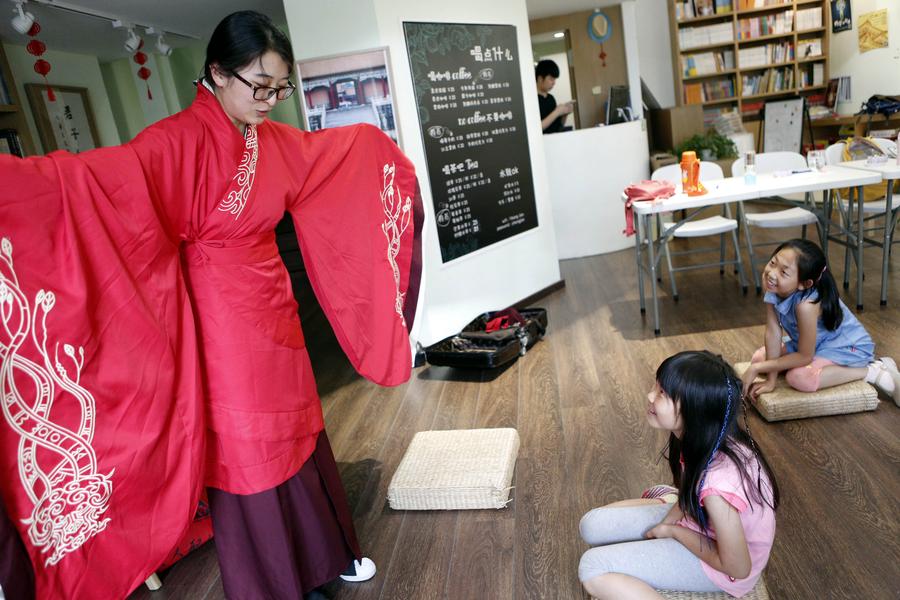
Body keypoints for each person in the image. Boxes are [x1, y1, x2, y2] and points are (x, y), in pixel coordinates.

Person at [0, 10, 421, 600]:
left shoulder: (270, 140)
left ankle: (326, 556)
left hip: (274, 305)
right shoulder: (174, 143)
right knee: (250, 448)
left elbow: (331, 158)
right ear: (218, 74)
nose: (271, 100)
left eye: (280, 88)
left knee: (300, 430)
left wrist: (381, 154)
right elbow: (97, 184)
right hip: (223, 322)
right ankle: (278, 583)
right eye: (260, 85)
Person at [578, 351, 779, 599]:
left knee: (592, 567)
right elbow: (689, 489)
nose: (650, 395)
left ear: (695, 412)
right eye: (657, 385)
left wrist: (674, 532)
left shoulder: (717, 487)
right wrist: (666, 522)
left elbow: (738, 567)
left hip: (723, 569)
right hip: (699, 517)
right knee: (590, 526)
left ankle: (665, 501)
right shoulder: (703, 438)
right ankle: (666, 500)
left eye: (663, 393)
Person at [741, 239, 900, 405]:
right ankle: (818, 366)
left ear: (805, 284)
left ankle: (871, 370)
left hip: (846, 347)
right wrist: (770, 380)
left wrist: (758, 370)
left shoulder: (806, 306)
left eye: (784, 273)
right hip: (813, 343)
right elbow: (773, 332)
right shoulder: (773, 285)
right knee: (759, 359)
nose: (772, 273)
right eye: (773, 263)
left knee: (798, 377)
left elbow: (804, 356)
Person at [535, 59, 574, 133]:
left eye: (555, 79)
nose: (554, 83)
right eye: (551, 79)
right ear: (540, 79)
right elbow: (537, 128)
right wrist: (557, 112)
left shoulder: (551, 98)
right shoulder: (532, 99)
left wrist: (564, 114)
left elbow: (559, 127)